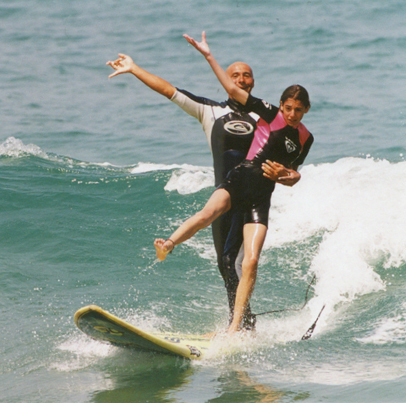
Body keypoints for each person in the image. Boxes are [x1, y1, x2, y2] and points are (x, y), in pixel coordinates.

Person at [106, 54, 298, 330]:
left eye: (247, 75)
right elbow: (169, 90)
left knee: (237, 262)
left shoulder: (267, 116)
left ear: (253, 82)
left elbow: (289, 155)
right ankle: (243, 322)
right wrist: (135, 69)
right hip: (226, 193)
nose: (242, 79)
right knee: (224, 264)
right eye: (235, 75)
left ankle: (241, 325)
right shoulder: (209, 111)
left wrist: (288, 174)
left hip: (252, 199)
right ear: (226, 82)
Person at [154, 31, 314, 334]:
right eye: (288, 108)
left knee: (250, 261)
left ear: (306, 110)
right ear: (281, 105)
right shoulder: (268, 113)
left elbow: (292, 174)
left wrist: (290, 175)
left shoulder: (306, 138)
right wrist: (208, 54)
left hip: (260, 198)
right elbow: (229, 86)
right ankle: (168, 244)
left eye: (299, 110)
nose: (292, 114)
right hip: (240, 179)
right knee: (208, 214)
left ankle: (236, 328)